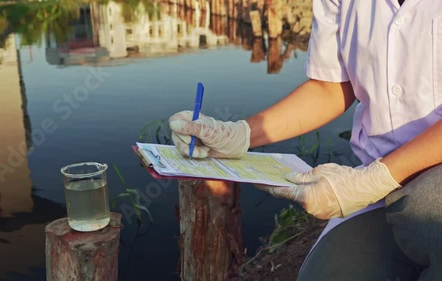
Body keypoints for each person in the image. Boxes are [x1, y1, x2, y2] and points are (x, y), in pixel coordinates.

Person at [168, 1, 442, 280]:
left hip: (430, 178)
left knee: (427, 213)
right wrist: (242, 134)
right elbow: (331, 86)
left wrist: (377, 178)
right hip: (376, 189)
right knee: (329, 274)